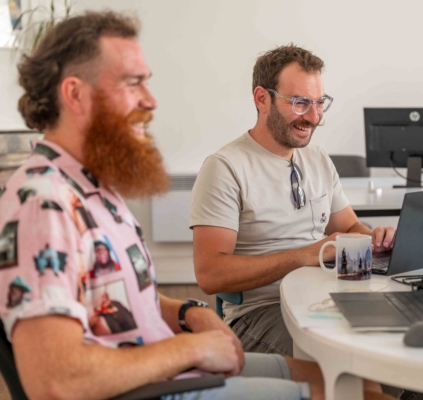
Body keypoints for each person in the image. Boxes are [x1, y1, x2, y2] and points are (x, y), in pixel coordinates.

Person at [0, 11, 395, 400]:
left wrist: (190, 313)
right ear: (75, 94)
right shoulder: (44, 205)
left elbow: (117, 297)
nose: (151, 100)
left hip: (167, 366)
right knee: (355, 393)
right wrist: (189, 349)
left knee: (358, 385)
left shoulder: (92, 191)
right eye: (133, 83)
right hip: (157, 383)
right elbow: (56, 382)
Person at [190, 44, 397, 357]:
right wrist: (305, 255)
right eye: (300, 103)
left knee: (399, 348)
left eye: (319, 103)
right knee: (352, 362)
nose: (313, 117)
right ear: (262, 99)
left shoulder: (317, 158)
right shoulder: (225, 167)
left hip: (327, 295)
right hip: (261, 313)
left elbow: (350, 226)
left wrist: (376, 240)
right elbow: (210, 274)